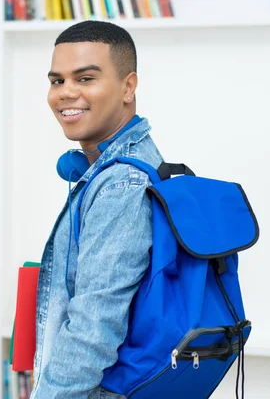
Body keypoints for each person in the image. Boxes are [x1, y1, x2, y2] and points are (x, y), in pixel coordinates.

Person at [30, 20, 165, 399]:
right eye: (57, 81)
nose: (66, 93)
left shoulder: (122, 183)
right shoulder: (118, 167)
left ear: (128, 86)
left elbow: (93, 329)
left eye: (85, 78)